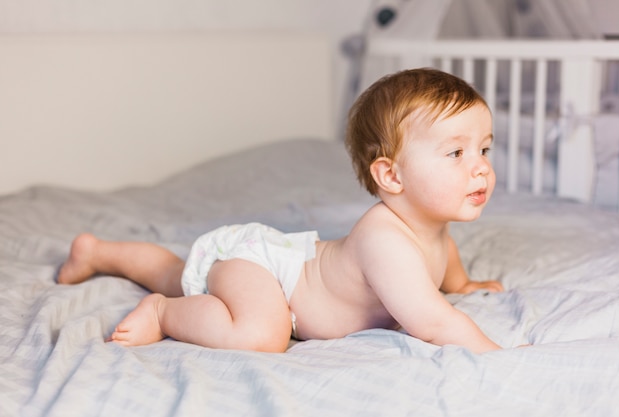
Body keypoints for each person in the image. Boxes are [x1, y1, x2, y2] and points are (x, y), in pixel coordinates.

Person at [57, 68, 504, 354]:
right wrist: (492, 353)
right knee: (259, 336)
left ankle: (98, 252)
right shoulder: (383, 238)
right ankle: (162, 312)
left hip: (281, 262)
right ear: (391, 176)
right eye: (455, 153)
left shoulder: (430, 226)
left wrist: (461, 283)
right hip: (268, 274)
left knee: (179, 270)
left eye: (483, 148)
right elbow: (432, 320)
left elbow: (440, 255)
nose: (481, 167)